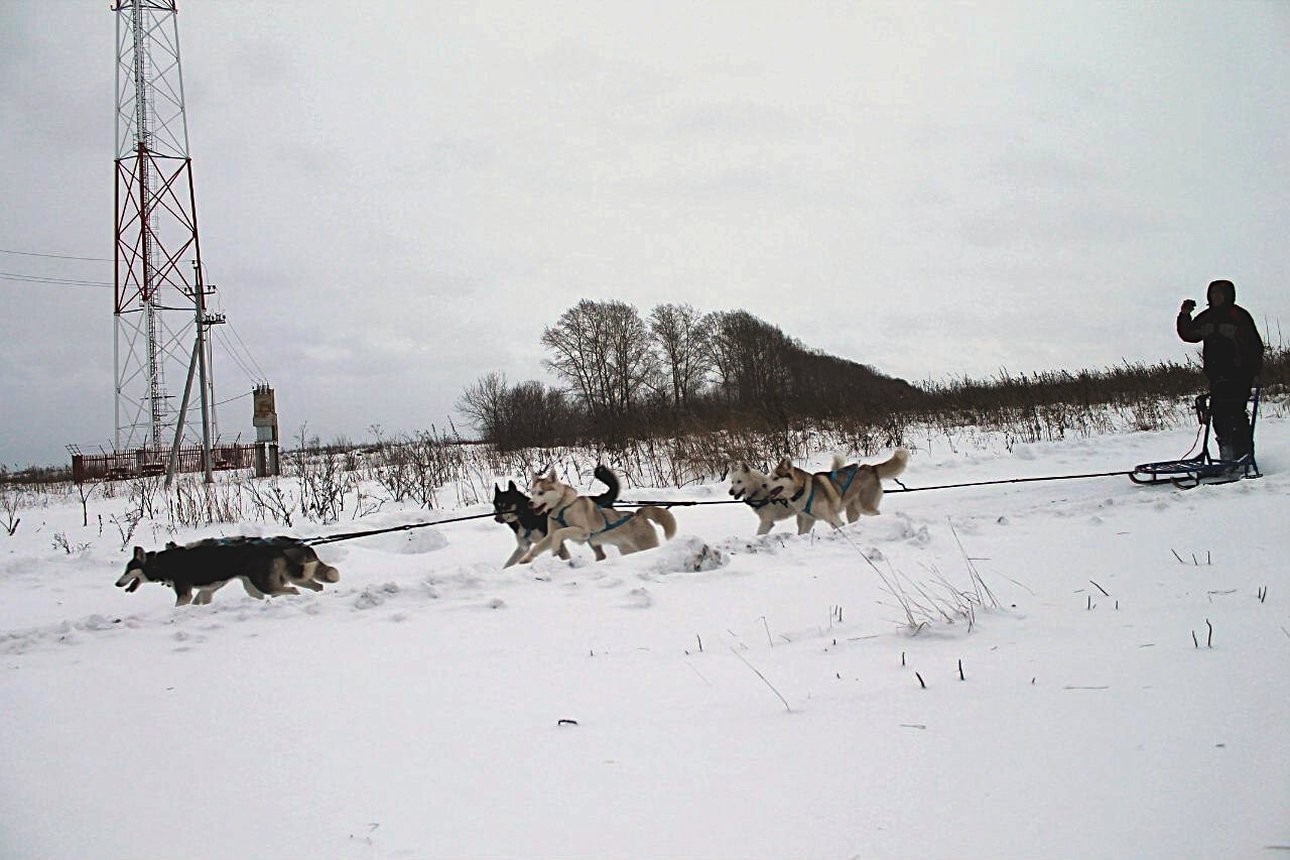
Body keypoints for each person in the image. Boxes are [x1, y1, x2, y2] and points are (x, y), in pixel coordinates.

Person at [1176, 279, 1264, 462]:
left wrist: (1254, 372)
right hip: (1217, 376)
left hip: (1239, 375)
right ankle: (1227, 452)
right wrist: (1184, 315)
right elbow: (1190, 334)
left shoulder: (1239, 316)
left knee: (1234, 415)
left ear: (1228, 295)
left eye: (1219, 293)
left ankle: (1243, 455)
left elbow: (1255, 346)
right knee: (1218, 415)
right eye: (1213, 293)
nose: (1216, 297)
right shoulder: (1207, 316)